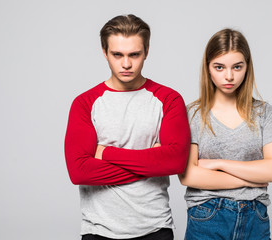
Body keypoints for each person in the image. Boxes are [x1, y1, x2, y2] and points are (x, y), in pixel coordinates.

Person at [64, 14, 190, 240]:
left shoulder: (169, 99)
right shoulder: (85, 103)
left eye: (134, 54)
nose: (126, 64)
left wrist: (106, 153)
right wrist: (152, 162)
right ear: (104, 52)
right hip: (98, 230)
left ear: (147, 51)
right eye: (117, 55)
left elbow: (175, 161)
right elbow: (79, 171)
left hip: (155, 228)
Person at [179, 29, 272, 240]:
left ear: (247, 67)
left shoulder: (264, 113)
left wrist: (218, 163)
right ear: (208, 68)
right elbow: (188, 176)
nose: (229, 76)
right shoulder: (192, 114)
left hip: (255, 217)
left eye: (237, 67)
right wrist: (252, 180)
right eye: (219, 67)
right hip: (207, 215)